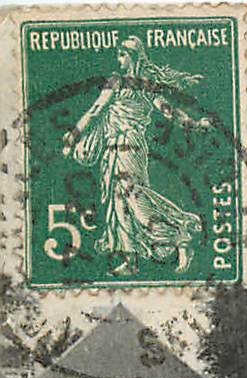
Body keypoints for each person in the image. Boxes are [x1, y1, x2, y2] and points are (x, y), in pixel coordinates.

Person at [61, 37, 208, 276]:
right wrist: (193, 124)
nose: (118, 60)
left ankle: (181, 234)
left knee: (134, 198)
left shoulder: (118, 82)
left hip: (127, 144)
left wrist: (73, 135)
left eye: (122, 55)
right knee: (118, 203)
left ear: (133, 56)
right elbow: (168, 111)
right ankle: (131, 260)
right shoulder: (146, 84)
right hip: (115, 146)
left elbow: (96, 110)